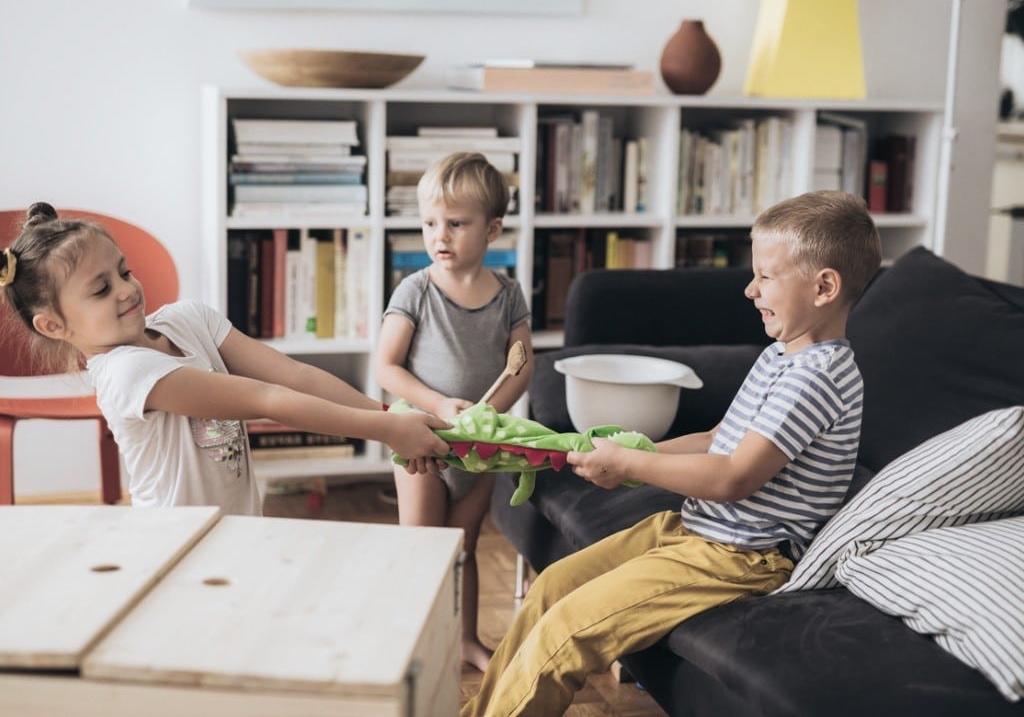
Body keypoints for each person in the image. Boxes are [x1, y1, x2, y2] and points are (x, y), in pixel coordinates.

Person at [461, 190, 882, 716]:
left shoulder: (818, 376)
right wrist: (633, 451)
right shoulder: (781, 355)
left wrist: (634, 465)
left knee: (570, 631)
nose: (750, 289)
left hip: (742, 558)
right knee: (552, 588)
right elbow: (717, 438)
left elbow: (733, 477)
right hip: (696, 531)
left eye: (766, 277)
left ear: (824, 287)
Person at [0, 202, 450, 517]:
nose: (126, 289)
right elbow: (267, 399)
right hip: (174, 550)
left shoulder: (186, 318)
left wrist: (390, 415)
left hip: (237, 530)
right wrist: (389, 430)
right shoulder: (126, 372)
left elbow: (293, 376)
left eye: (124, 271)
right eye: (100, 290)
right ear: (53, 326)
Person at [376, 152, 534, 672]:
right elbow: (387, 368)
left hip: (477, 449)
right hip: (420, 439)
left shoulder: (509, 296)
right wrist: (441, 405)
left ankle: (465, 640)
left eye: (456, 224)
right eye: (429, 223)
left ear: (492, 229)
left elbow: (522, 368)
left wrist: (489, 420)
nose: (439, 236)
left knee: (465, 548)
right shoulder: (416, 290)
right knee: (423, 549)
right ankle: (411, 642)